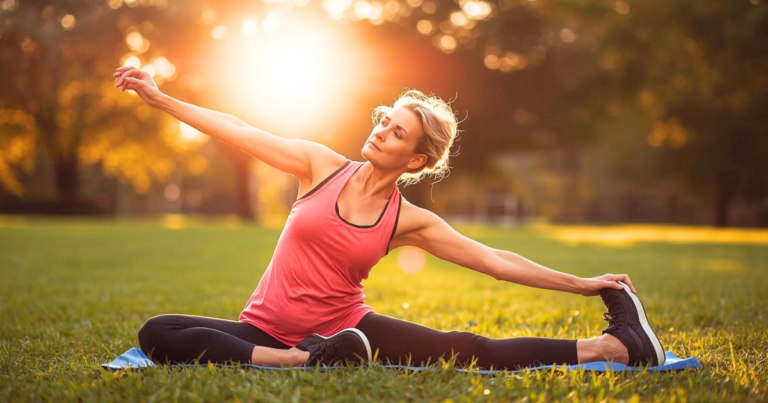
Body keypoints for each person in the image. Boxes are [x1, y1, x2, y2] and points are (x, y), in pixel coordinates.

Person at [113, 66, 666, 370]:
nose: (380, 130)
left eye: (396, 132)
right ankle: (302, 363)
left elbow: (494, 260)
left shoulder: (409, 220)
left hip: (349, 330)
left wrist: (583, 284)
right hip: (264, 329)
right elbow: (238, 129)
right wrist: (162, 100)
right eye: (384, 120)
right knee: (158, 332)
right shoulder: (319, 165)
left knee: (470, 350)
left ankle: (613, 347)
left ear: (417, 160)